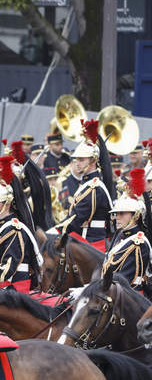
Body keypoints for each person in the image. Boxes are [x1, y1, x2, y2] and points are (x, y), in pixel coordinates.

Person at [0, 156, 43, 293]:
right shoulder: (3, 227)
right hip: (3, 286)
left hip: (13, 288)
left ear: (7, 203)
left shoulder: (14, 229)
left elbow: (7, 269)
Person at [60, 120, 114, 251]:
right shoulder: (87, 184)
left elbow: (77, 217)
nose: (77, 163)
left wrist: (57, 232)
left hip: (93, 242)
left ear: (94, 160)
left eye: (81, 159)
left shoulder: (94, 188)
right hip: (85, 239)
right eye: (76, 159)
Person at [101, 168, 151, 291]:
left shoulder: (138, 243)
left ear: (136, 215)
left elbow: (124, 279)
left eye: (122, 213)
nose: (117, 217)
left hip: (131, 298)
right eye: (116, 213)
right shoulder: (121, 237)